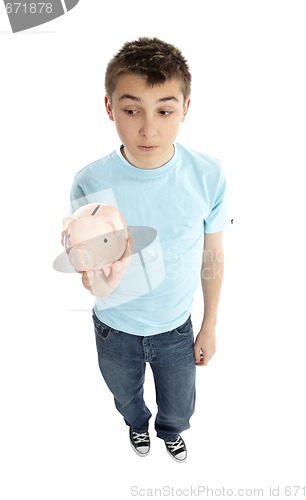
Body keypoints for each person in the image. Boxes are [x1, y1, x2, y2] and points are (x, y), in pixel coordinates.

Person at [68, 37, 231, 463]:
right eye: (131, 109)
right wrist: (89, 277)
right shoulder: (89, 183)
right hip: (113, 328)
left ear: (186, 109)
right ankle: (137, 425)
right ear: (109, 108)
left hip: (175, 327)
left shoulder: (208, 174)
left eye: (164, 110)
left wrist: (209, 324)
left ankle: (170, 431)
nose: (148, 129)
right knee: (124, 395)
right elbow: (91, 267)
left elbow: (212, 254)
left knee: (180, 404)